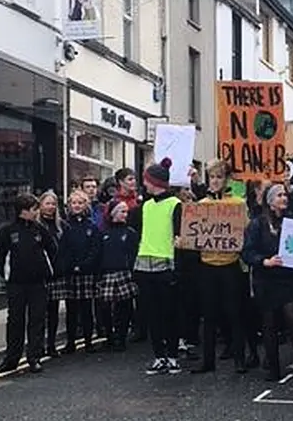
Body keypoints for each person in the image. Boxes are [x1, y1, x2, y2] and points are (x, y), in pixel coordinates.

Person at [242, 184, 293, 384]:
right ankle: (273, 368)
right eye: (279, 195)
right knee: (269, 324)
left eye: (285, 194)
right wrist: (265, 261)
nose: (284, 198)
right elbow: (247, 252)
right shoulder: (257, 224)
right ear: (270, 201)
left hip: (288, 279)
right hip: (266, 279)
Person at [193, 159, 248, 375]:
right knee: (208, 315)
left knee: (235, 313)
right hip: (207, 265)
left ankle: (239, 359)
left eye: (218, 177)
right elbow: (193, 235)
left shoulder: (238, 204)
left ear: (226, 180)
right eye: (212, 177)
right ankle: (208, 361)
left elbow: (246, 232)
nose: (215, 181)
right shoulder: (201, 205)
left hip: (230, 265)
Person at [0, 194, 57, 374]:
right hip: (16, 284)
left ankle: (34, 357)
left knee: (36, 320)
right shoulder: (7, 232)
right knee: (15, 321)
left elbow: (52, 250)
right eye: (34, 209)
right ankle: (11, 358)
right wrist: (7, 275)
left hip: (38, 283)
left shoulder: (40, 230)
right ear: (24, 211)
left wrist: (46, 272)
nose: (37, 212)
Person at [134, 159, 182, 375]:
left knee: (169, 313)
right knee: (152, 314)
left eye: (147, 180)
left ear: (156, 182)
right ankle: (159, 356)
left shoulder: (175, 204)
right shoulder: (145, 205)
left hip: (166, 264)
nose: (144, 184)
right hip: (145, 264)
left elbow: (180, 235)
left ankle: (172, 355)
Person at [58, 190, 100, 354]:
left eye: (80, 203)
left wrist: (84, 265)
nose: (77, 206)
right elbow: (63, 249)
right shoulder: (65, 226)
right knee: (71, 309)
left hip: (86, 272)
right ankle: (70, 342)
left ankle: (89, 341)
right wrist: (70, 266)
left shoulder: (92, 227)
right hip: (70, 272)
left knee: (86, 309)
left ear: (86, 205)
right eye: (74, 203)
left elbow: (95, 250)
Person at [96, 200, 140, 351]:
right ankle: (109, 337)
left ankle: (121, 338)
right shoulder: (103, 233)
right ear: (113, 213)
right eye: (122, 211)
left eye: (126, 212)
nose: (125, 215)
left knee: (124, 307)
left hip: (124, 272)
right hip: (106, 273)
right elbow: (98, 253)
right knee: (105, 308)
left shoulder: (130, 233)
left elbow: (134, 254)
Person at [38, 190, 69, 357]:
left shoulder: (61, 225)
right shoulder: (36, 225)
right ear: (40, 205)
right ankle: (39, 345)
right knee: (40, 313)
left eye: (53, 204)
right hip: (42, 274)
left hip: (57, 273)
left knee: (53, 311)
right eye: (47, 203)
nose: (50, 207)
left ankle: (51, 344)